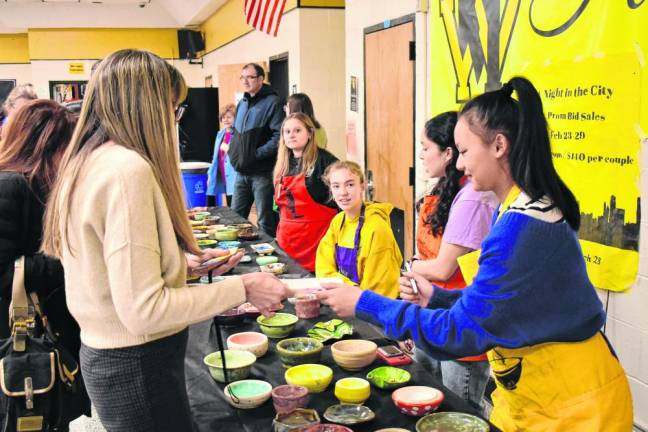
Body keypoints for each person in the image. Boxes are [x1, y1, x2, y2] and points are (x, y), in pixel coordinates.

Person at [316, 77, 633, 431]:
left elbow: (459, 333)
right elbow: (495, 299)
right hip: (535, 394)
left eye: (464, 152)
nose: (461, 165)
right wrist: (437, 296)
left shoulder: (522, 227)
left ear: (498, 145)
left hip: (572, 405)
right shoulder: (516, 207)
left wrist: (364, 303)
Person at [41, 49, 289, 432]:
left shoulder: (89, 160)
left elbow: (108, 270)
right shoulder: (127, 171)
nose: (175, 122)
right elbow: (143, 311)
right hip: (138, 367)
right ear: (148, 107)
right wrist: (243, 286)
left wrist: (176, 265)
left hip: (113, 361)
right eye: (173, 110)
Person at [0, 99, 91, 426]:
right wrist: (69, 261)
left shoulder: (37, 184)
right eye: (64, 146)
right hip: (20, 337)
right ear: (44, 144)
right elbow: (4, 273)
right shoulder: (10, 186)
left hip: (44, 332)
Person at [407, 111, 497, 411]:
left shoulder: (473, 198)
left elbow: (444, 267)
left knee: (458, 412)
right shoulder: (442, 191)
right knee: (426, 400)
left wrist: (412, 267)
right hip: (431, 315)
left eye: (425, 147)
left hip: (459, 325)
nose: (420, 154)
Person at [316, 161, 402, 298]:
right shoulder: (338, 222)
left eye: (350, 184)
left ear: (362, 186)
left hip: (374, 309)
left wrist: (345, 289)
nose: (343, 193)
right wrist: (349, 290)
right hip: (346, 300)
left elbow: (379, 292)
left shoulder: (377, 228)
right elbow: (324, 269)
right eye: (336, 186)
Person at [274, 112, 338, 272]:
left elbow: (340, 200)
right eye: (287, 131)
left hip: (317, 241)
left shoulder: (326, 161)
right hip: (288, 240)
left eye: (297, 130)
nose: (291, 135)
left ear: (309, 133)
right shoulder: (282, 164)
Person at [228, 63, 284, 237]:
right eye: (242, 77)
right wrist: (233, 152)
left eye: (250, 77)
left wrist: (256, 154)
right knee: (235, 219)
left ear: (261, 79)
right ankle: (237, 257)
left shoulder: (273, 102)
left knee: (265, 221)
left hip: (262, 173)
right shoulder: (243, 103)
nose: (245, 81)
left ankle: (269, 260)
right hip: (241, 172)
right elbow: (235, 132)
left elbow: (278, 136)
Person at [207, 103, 237, 206]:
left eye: (229, 117)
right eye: (223, 117)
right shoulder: (220, 134)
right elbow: (216, 157)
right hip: (222, 174)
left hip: (233, 175)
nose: (225, 120)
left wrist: (229, 149)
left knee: (234, 206)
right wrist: (210, 174)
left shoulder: (238, 134)